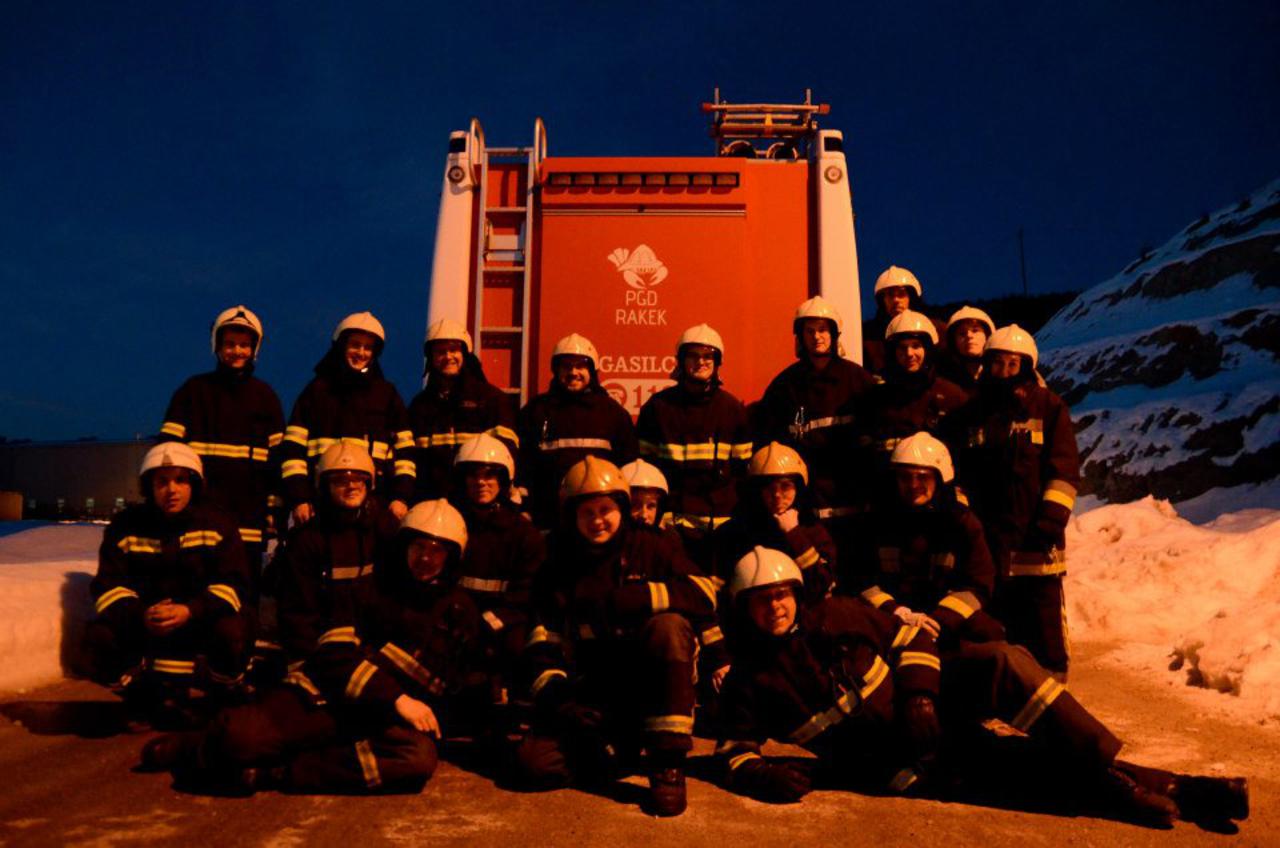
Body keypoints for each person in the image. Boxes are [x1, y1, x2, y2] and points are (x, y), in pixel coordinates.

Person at [714, 548, 1250, 830]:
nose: (776, 606)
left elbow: (911, 637)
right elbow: (733, 750)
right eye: (762, 600)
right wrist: (760, 775)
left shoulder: (838, 614)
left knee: (1000, 661)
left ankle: (1108, 766)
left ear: (796, 594)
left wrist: (920, 694)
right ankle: (1185, 790)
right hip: (903, 761)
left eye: (782, 595)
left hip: (931, 703)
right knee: (1021, 773)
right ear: (744, 608)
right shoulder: (748, 680)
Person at [140, 499, 485, 795]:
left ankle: (274, 774)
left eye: (437, 550)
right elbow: (333, 656)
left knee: (416, 758)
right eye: (419, 547)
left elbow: (456, 684)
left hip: (381, 719)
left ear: (452, 557)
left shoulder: (461, 612)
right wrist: (398, 698)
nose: (426, 558)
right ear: (403, 546)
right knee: (240, 739)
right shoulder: (370, 590)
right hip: (326, 698)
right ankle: (192, 746)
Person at [515, 456, 728, 816]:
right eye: (587, 512)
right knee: (532, 765)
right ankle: (618, 748)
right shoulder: (557, 565)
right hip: (595, 691)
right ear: (571, 516)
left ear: (622, 509)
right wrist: (562, 703)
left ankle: (667, 763)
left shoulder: (652, 545)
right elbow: (542, 643)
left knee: (670, 626)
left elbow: (705, 593)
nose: (598, 520)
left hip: (652, 687)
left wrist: (644, 597)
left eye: (606, 510)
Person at [85, 442, 251, 725]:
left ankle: (222, 691)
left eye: (180, 480)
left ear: (194, 484)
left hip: (201, 621)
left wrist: (191, 610)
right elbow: (107, 587)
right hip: (147, 623)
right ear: (149, 487)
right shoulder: (125, 526)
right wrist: (141, 614)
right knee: (97, 638)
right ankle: (141, 697)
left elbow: (233, 584)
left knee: (233, 630)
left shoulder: (218, 524)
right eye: (162, 481)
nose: (171, 489)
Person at [948, 325, 1079, 679]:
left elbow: (1064, 470)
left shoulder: (1049, 407)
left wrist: (1050, 522)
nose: (1004, 371)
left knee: (1044, 628)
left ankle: (1052, 694)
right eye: (997, 363)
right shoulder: (973, 413)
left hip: (1036, 542)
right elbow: (958, 472)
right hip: (988, 542)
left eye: (1012, 364)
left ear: (1026, 366)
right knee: (996, 626)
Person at [158, 305, 285, 596]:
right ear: (216, 345)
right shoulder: (193, 392)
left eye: (244, 345)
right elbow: (167, 453)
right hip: (197, 513)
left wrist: (274, 510)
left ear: (254, 349)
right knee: (194, 589)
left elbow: (278, 463)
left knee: (244, 592)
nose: (236, 351)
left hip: (249, 517)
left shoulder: (266, 397)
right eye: (229, 344)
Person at [838, 432, 1002, 649]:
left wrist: (937, 620)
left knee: (991, 633)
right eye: (905, 477)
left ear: (940, 479)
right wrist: (898, 612)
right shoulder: (877, 521)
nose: (913, 485)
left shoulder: (961, 523)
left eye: (922, 477)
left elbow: (978, 584)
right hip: (891, 618)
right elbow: (860, 578)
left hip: (946, 621)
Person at [280, 312, 414, 527]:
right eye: (355, 345)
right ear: (341, 346)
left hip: (375, 508)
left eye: (368, 347)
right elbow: (292, 452)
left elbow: (405, 455)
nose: (361, 352)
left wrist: (401, 497)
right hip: (320, 508)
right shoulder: (316, 392)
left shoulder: (387, 395)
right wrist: (299, 498)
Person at [274, 443, 399, 670]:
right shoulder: (307, 539)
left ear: (369, 484)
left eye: (358, 479)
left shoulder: (382, 529)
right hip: (322, 650)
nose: (351, 486)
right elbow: (296, 613)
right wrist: (304, 662)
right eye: (340, 481)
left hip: (370, 647)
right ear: (324, 486)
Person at [449, 433, 546, 723]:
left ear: (504, 480)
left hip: (503, 624)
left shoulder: (523, 534)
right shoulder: (448, 524)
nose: (481, 482)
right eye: (473, 475)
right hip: (455, 620)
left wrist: (487, 622)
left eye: (490, 475)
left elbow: (527, 594)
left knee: (517, 644)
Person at [637, 324, 753, 567]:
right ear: (681, 361)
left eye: (708, 356)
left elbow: (743, 475)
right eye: (693, 355)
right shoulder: (657, 409)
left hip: (722, 530)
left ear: (717, 362)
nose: (701, 362)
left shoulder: (732, 410)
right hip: (671, 529)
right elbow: (644, 472)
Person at [753, 296, 877, 522]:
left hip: (854, 500)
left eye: (822, 330)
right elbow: (768, 439)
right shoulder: (784, 386)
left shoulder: (858, 380)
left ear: (834, 334)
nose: (816, 337)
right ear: (800, 337)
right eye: (809, 331)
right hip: (807, 502)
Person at [516, 333, 637, 529]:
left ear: (592, 370)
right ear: (556, 370)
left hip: (598, 519)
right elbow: (523, 465)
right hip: (548, 518)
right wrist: (525, 508)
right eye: (566, 366)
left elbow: (628, 465)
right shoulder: (536, 411)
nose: (573, 372)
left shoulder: (613, 413)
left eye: (580, 366)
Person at [860, 310, 968, 510]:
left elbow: (967, 457)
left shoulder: (952, 396)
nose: (909, 354)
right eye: (902, 348)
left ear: (929, 350)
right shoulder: (875, 400)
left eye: (916, 346)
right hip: (887, 504)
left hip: (940, 506)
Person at [711, 442, 836, 610]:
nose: (777, 494)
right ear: (756, 491)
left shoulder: (814, 532)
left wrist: (794, 534)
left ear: (798, 489)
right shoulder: (733, 533)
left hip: (804, 620)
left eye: (785, 486)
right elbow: (718, 594)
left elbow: (821, 587)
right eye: (769, 487)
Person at [407, 318, 517, 503]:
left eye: (453, 350)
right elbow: (412, 459)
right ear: (431, 358)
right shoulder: (419, 406)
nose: (448, 356)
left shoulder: (492, 400)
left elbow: (507, 453)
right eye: (440, 351)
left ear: (465, 354)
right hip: (432, 503)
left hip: (477, 502)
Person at [862, 266, 947, 375]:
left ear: (912, 297)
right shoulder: (870, 338)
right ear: (882, 300)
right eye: (890, 295)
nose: (896, 300)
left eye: (901, 294)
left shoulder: (936, 330)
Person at [937, 305, 995, 398]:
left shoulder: (999, 374)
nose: (969, 336)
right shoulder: (944, 379)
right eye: (962, 333)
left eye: (975, 330)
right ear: (953, 342)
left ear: (987, 336)